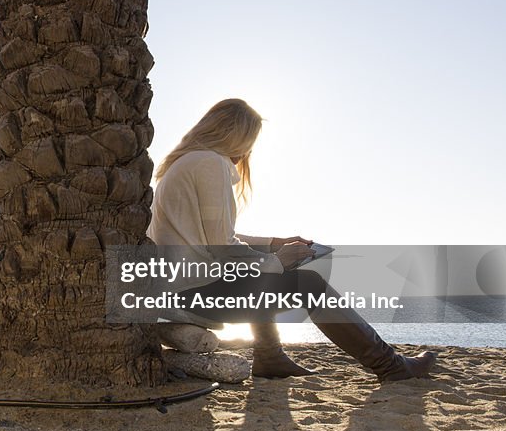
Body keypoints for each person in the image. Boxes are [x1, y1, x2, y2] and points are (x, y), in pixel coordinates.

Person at [148, 98, 437, 381]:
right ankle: (391, 366)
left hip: (180, 289)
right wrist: (276, 260)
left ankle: (270, 357)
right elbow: (223, 248)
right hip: (196, 295)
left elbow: (209, 237)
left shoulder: (184, 164)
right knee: (309, 283)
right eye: (250, 141)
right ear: (238, 136)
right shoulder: (211, 163)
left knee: (263, 273)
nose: (248, 150)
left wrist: (274, 243)